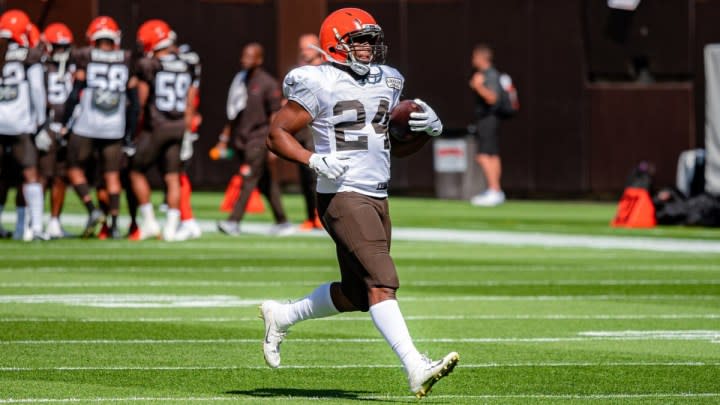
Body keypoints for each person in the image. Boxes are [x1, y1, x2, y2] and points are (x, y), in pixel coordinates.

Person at [263, 8, 458, 398]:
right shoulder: (317, 81)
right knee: (383, 283)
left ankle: (282, 315)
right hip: (342, 192)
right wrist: (312, 159)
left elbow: (394, 148)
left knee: (358, 293)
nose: (368, 48)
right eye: (359, 41)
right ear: (336, 44)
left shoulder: (389, 80)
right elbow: (276, 133)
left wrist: (427, 131)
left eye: (371, 40)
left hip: (377, 193)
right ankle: (415, 366)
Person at [61, 16, 139, 239]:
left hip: (87, 124)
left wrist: (64, 123)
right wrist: (130, 135)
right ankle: (114, 225)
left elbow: (75, 93)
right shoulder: (126, 58)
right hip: (115, 126)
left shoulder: (85, 56)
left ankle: (92, 209)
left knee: (74, 168)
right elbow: (134, 103)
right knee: (112, 175)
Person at [129, 19, 196, 241]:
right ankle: (170, 228)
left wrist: (134, 129)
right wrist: (186, 128)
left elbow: (141, 100)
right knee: (172, 176)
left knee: (136, 170)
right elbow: (190, 101)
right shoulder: (187, 63)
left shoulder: (149, 65)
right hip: (178, 126)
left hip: (156, 125)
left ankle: (148, 221)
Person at [216, 42, 291, 236]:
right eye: (243, 55)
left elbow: (275, 116)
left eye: (249, 56)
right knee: (265, 183)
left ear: (259, 59)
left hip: (259, 140)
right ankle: (282, 221)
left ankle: (233, 221)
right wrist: (224, 138)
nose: (244, 60)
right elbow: (234, 113)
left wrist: (274, 144)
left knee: (248, 179)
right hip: (242, 139)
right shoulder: (240, 81)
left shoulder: (267, 83)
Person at [0, 9, 47, 241]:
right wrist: (40, 122)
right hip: (19, 123)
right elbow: (37, 90)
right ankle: (36, 227)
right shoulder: (29, 55)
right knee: (30, 175)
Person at [38, 22, 74, 238]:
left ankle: (52, 221)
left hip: (57, 126)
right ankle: (39, 220)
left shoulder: (43, 65)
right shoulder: (43, 66)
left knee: (57, 176)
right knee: (46, 176)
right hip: (57, 127)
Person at [469, 44, 505, 207]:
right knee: (492, 154)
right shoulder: (492, 74)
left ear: (481, 58)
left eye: (475, 57)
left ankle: (494, 190)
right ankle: (496, 190)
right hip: (491, 119)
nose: (473, 60)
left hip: (487, 119)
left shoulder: (488, 75)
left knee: (484, 156)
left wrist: (478, 86)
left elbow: (492, 98)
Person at [294, 33, 323, 231]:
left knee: (317, 175)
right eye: (302, 47)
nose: (305, 51)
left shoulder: (326, 70)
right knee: (304, 175)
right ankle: (309, 216)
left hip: (318, 126)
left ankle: (320, 215)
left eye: (308, 47)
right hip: (301, 127)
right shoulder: (299, 71)